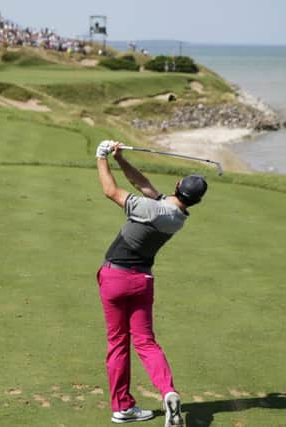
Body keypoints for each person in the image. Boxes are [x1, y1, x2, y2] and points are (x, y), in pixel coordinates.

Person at [95, 140, 208, 426]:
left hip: (115, 277)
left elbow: (110, 191)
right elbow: (142, 183)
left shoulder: (151, 209)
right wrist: (119, 159)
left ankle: (122, 407)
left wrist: (101, 156)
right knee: (146, 342)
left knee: (118, 343)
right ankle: (168, 391)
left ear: (178, 183)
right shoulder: (176, 215)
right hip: (142, 281)